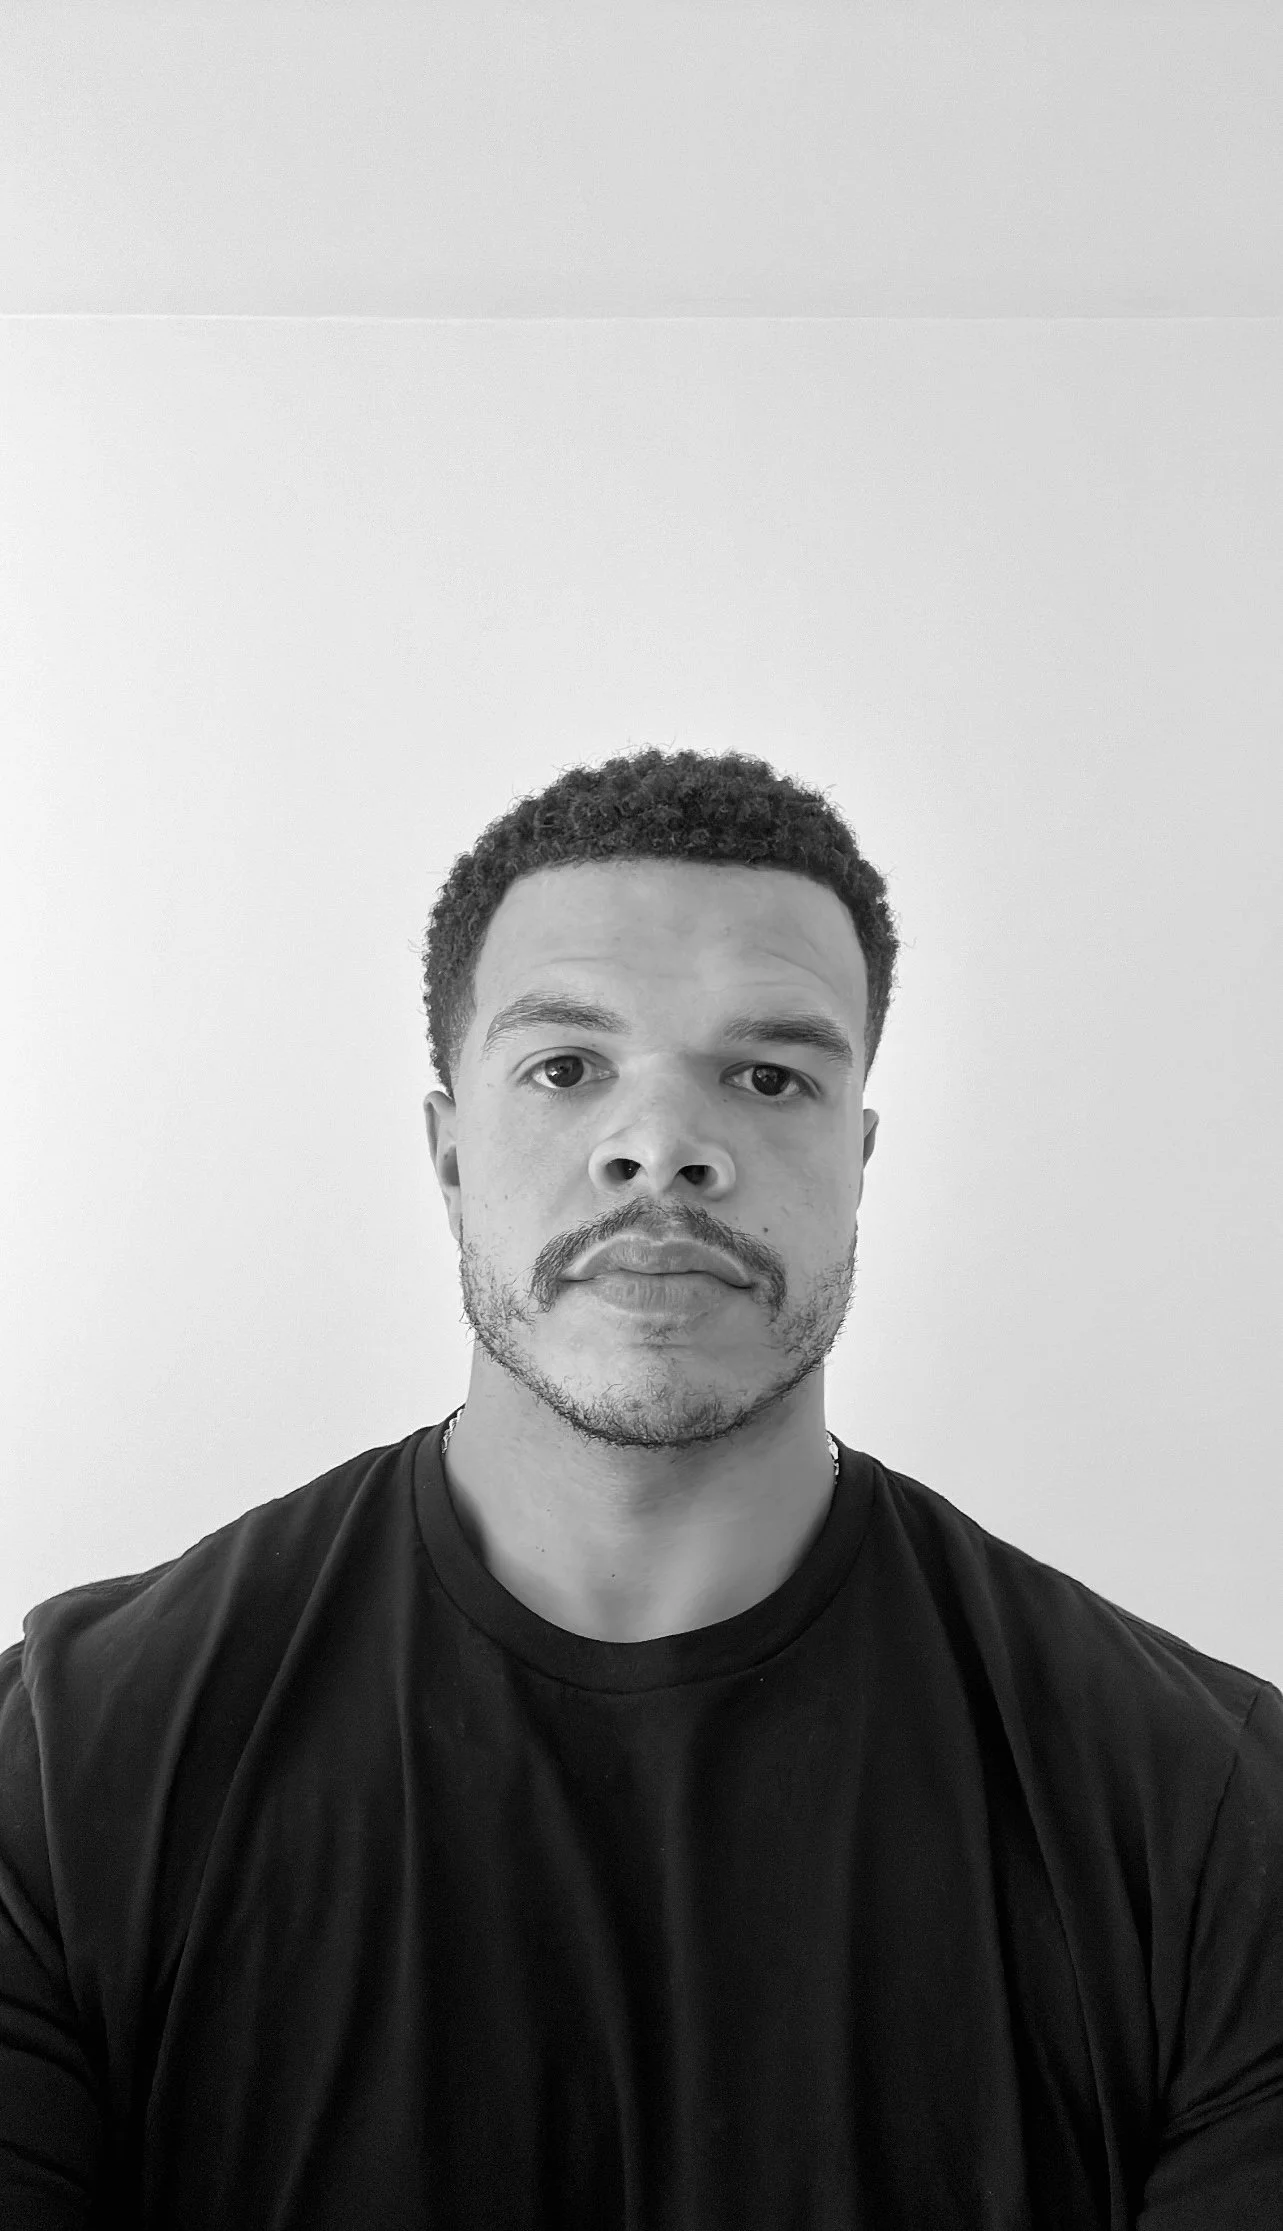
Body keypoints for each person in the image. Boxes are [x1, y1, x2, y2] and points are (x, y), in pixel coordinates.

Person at [1, 746, 1280, 2228]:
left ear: (855, 1157)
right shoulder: (69, 1778)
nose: (663, 1147)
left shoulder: (1208, 1822)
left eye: (767, 1074)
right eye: (565, 1066)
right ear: (449, 1154)